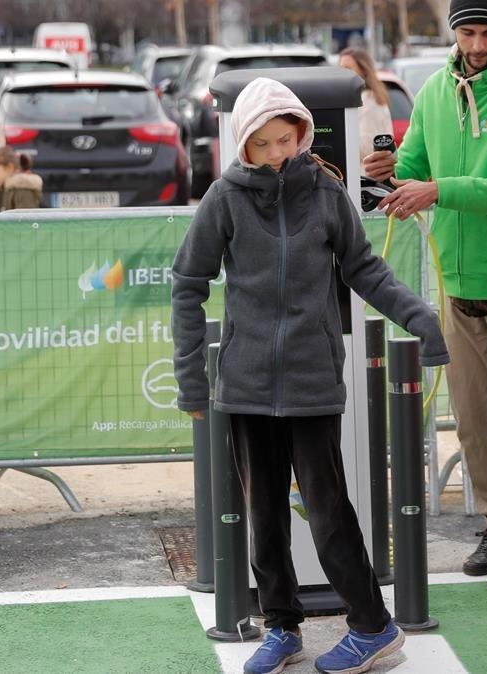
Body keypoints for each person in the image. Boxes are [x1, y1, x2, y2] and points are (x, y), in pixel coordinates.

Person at [171, 77, 449, 674]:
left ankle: (373, 627)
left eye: (285, 139)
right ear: (243, 145)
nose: (277, 153)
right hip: (243, 386)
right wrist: (192, 378)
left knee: (327, 510)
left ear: (302, 132)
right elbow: (187, 285)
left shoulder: (326, 193)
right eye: (263, 143)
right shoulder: (223, 198)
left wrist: (420, 319)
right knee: (264, 515)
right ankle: (282, 628)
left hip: (311, 382)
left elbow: (366, 271)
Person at [364, 0, 487, 592]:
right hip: (458, 282)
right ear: (453, 31)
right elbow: (417, 165)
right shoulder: (432, 93)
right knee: (472, 420)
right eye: (467, 32)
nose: (477, 44)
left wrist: (436, 189)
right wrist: (389, 169)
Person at [338, 46, 394, 159]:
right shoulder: (368, 97)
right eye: (341, 69)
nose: (342, 73)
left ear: (363, 71)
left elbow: (367, 147)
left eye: (347, 68)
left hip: (366, 174)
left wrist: (337, 140)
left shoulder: (368, 101)